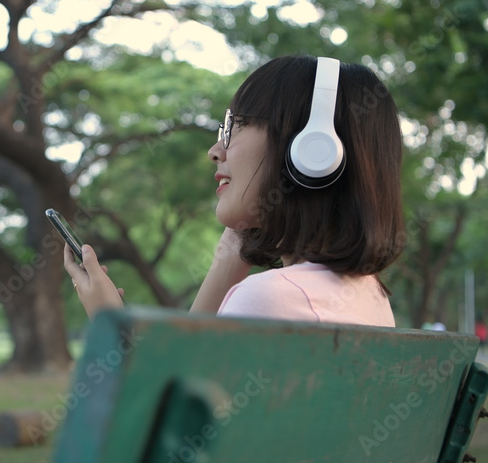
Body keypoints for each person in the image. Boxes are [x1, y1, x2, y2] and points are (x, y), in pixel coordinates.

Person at [64, 55, 405, 326]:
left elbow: (158, 412)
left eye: (236, 127)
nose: (215, 151)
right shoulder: (369, 294)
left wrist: (111, 324)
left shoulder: (272, 297)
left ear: (313, 151)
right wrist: (230, 254)